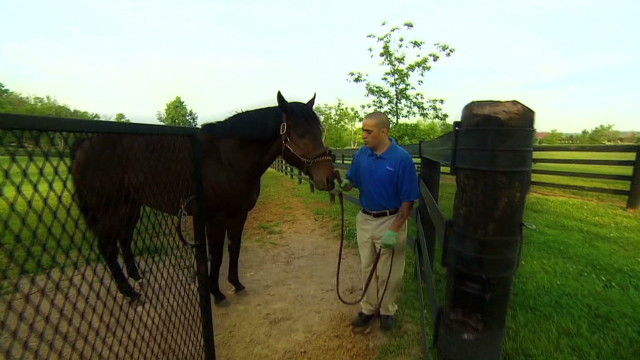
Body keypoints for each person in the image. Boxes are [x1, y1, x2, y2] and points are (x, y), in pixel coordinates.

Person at [338, 111, 420, 331]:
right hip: (365, 219)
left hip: (391, 219)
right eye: (363, 131)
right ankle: (368, 309)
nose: (364, 135)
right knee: (367, 267)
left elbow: (408, 201)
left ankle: (387, 311)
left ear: (384, 132)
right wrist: (347, 183)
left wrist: (394, 230)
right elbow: (353, 177)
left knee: (389, 272)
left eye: (368, 131)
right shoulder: (362, 155)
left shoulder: (402, 159)